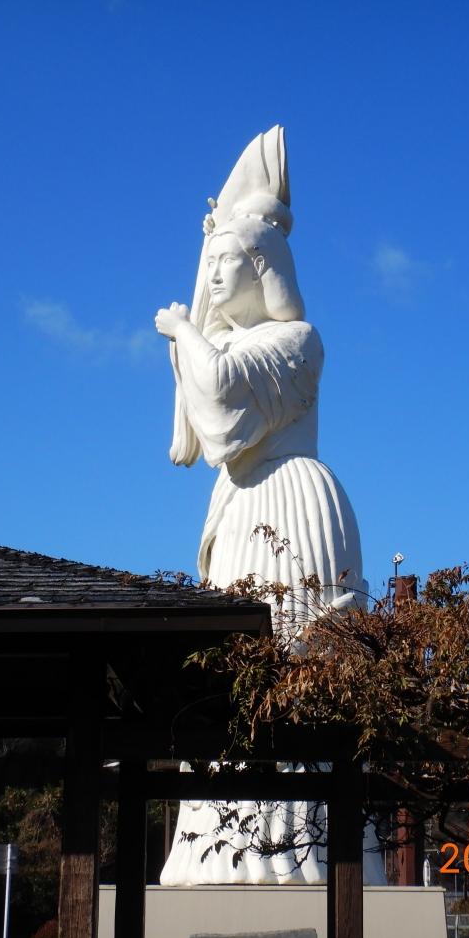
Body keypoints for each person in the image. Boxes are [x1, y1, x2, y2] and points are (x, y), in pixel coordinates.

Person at [153, 179, 385, 885]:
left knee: (297, 655)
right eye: (210, 264)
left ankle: (307, 849)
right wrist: (195, 333)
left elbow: (224, 405)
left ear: (263, 269)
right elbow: (196, 429)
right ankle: (220, 844)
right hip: (241, 506)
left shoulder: (297, 340)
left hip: (291, 503)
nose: (213, 276)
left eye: (227, 261)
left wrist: (184, 331)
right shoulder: (226, 340)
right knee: (236, 670)